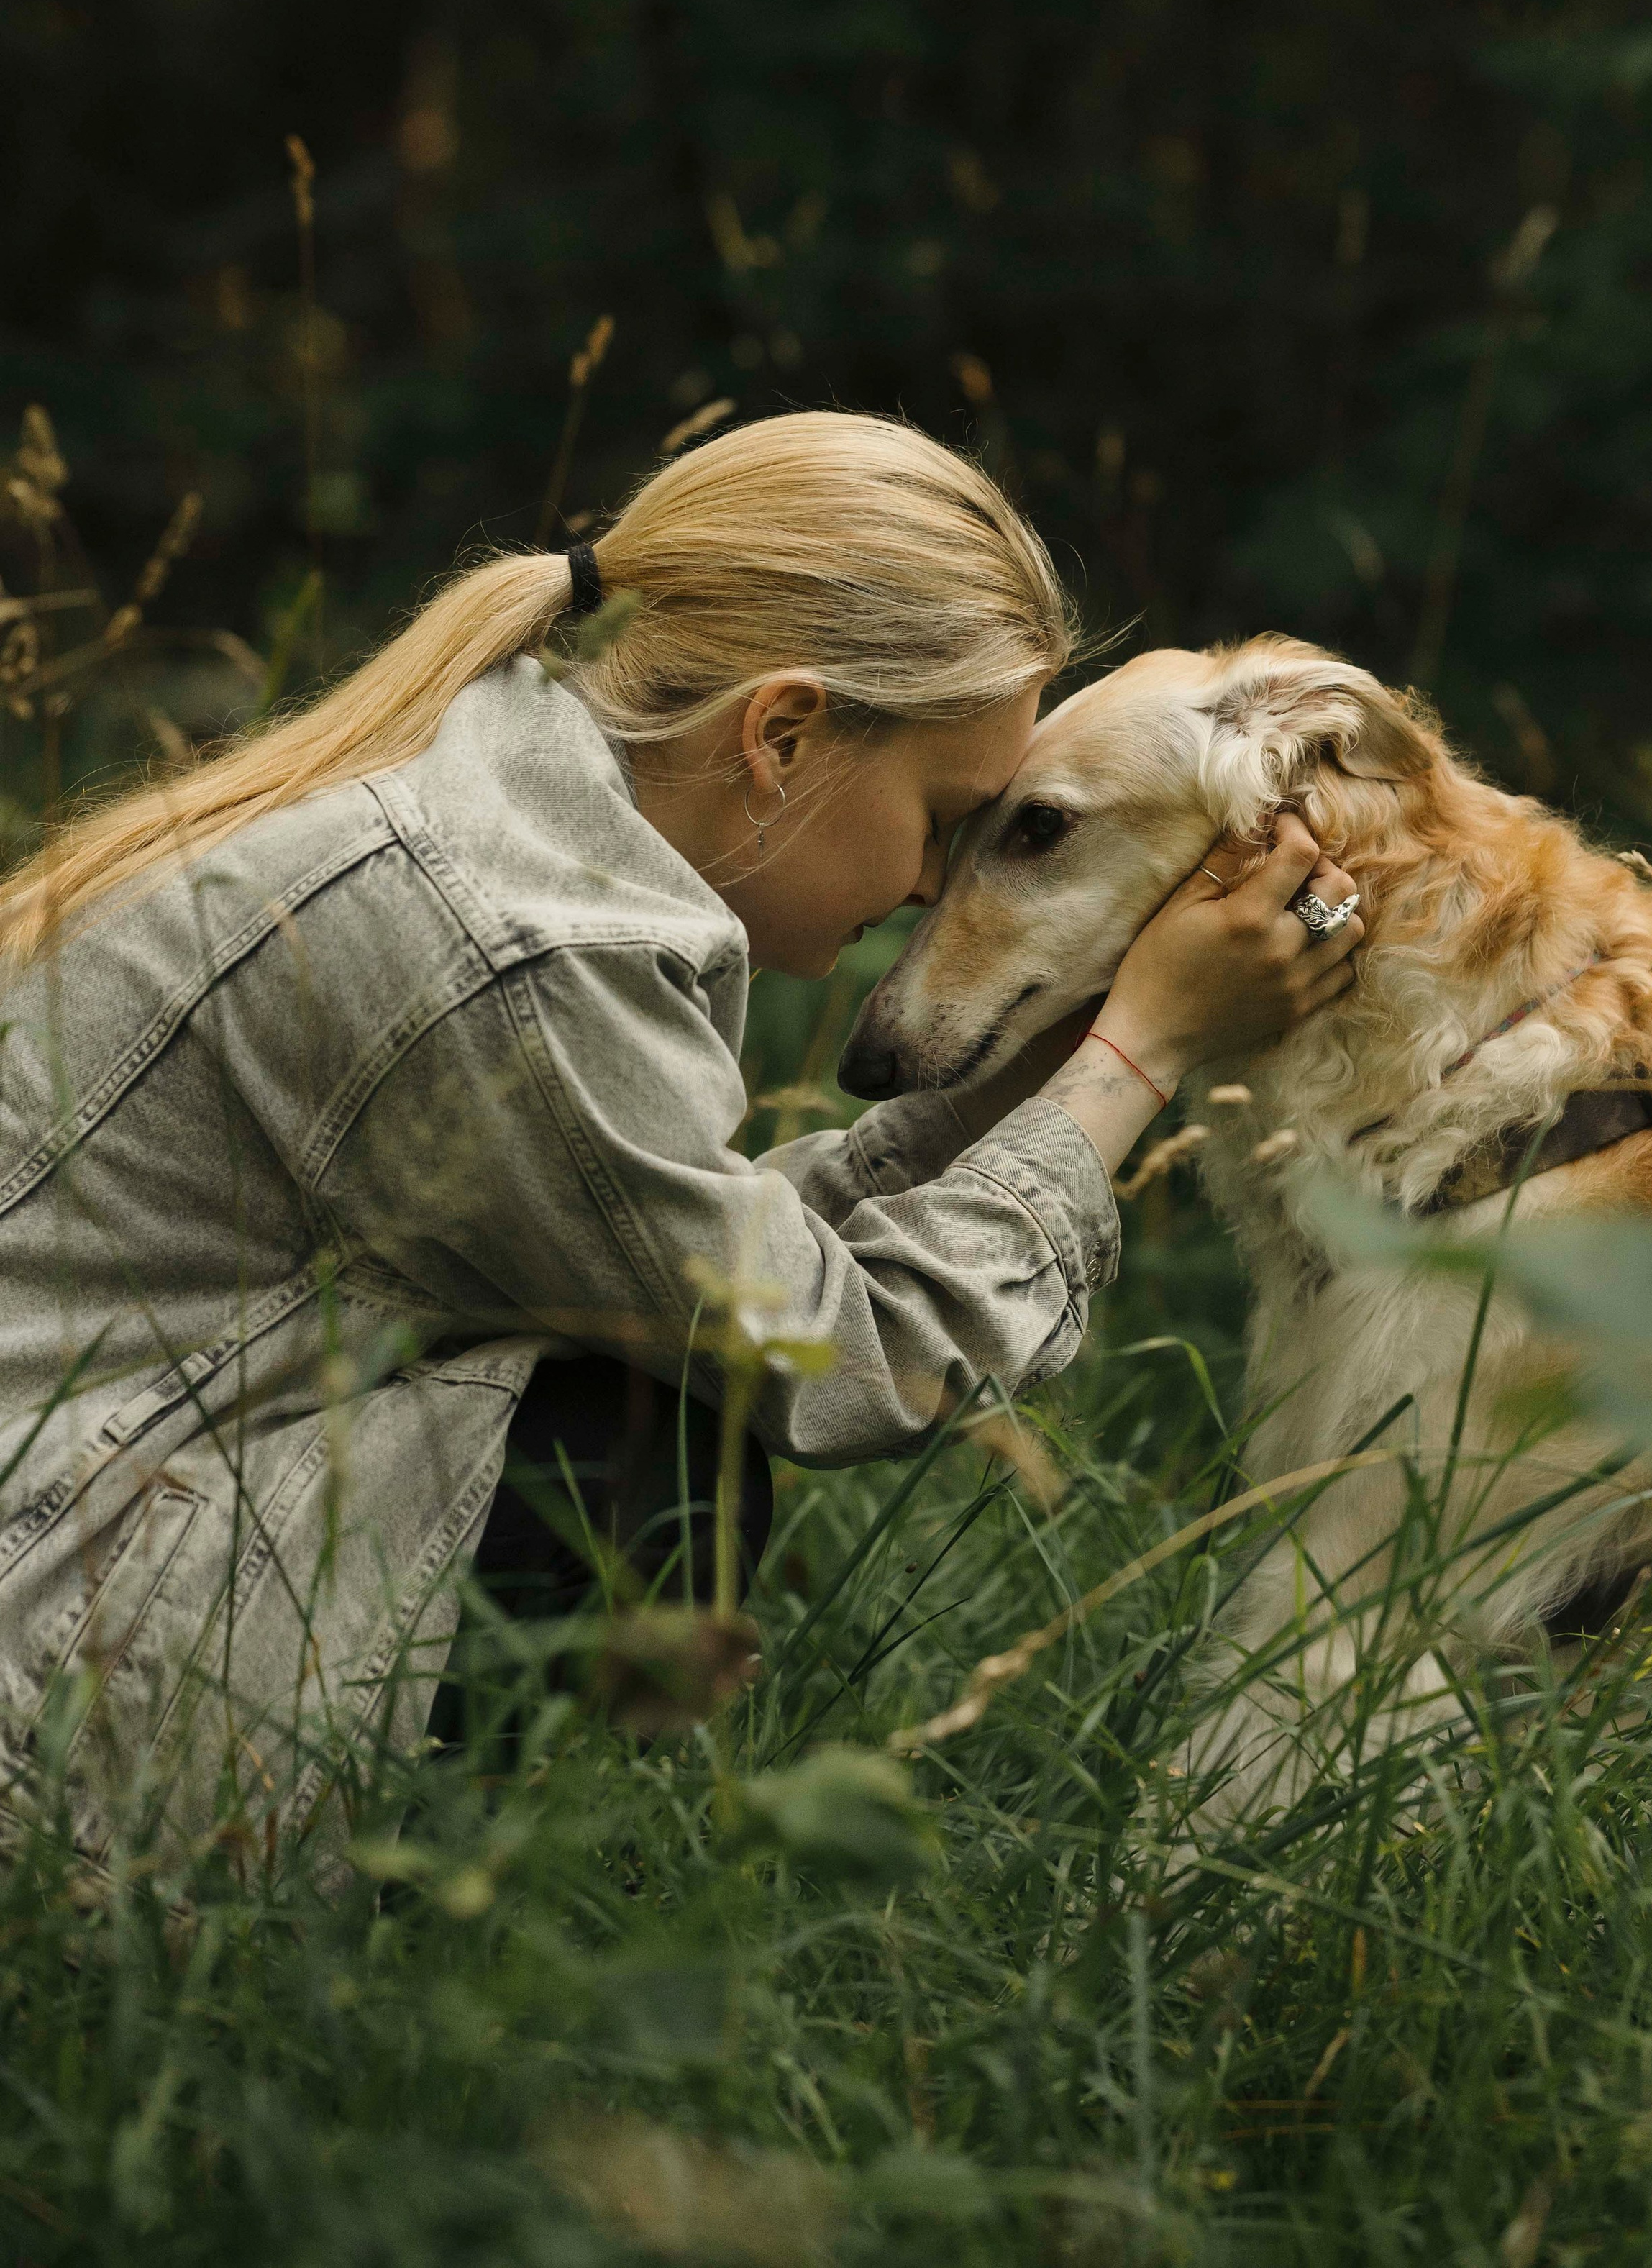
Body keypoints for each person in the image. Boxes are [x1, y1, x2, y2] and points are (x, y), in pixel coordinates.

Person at [0, 412, 1360, 1858]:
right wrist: (1139, 1051)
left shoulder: (489, 819)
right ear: (778, 736)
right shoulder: (515, 951)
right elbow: (851, 1358)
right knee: (639, 1468)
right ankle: (204, 1927)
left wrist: (1052, 1041)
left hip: (85, 1509)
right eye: (944, 820)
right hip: (36, 1637)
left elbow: (683, 1257)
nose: (924, 886)